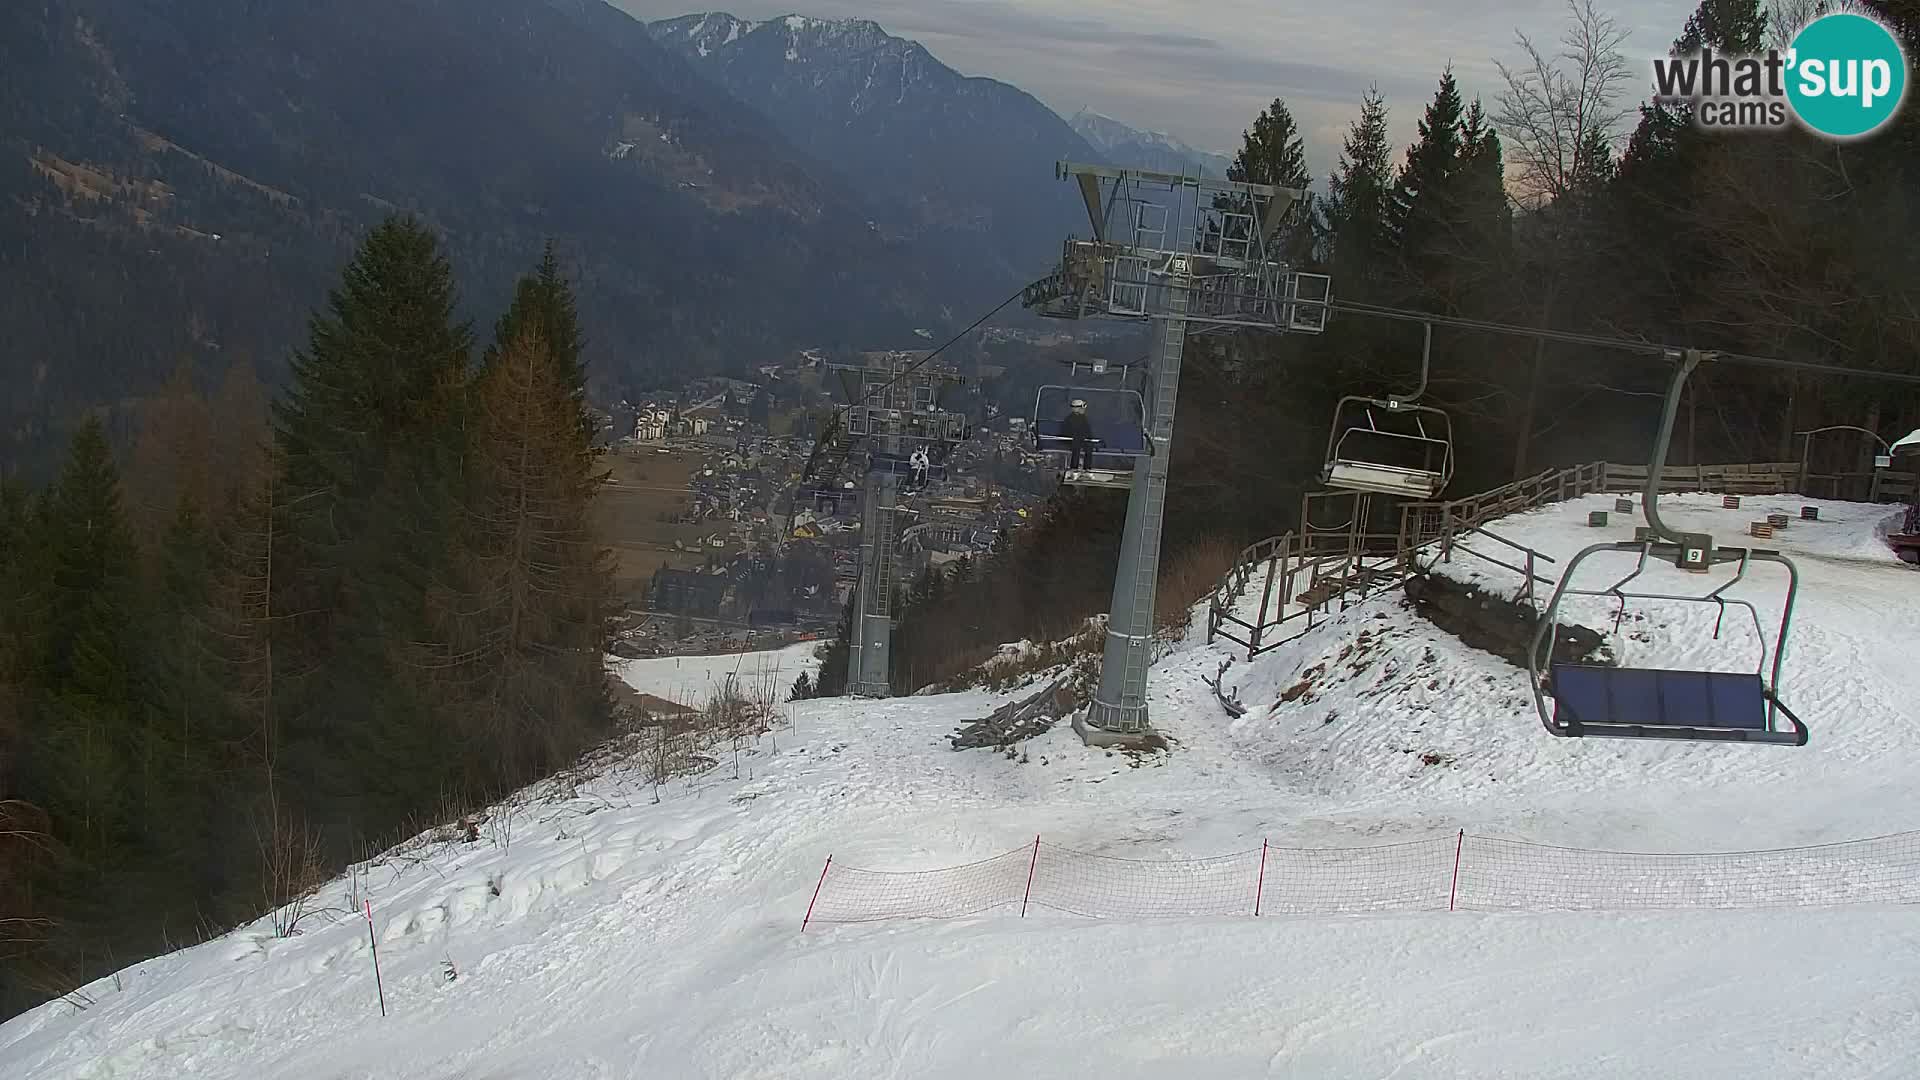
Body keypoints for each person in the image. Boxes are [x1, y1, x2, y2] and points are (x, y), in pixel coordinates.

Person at [1062, 398, 1096, 478]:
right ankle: (1074, 469)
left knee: (1089, 447)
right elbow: (1068, 432)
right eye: (1081, 407)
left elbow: (1088, 431)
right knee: (1076, 446)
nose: (1083, 409)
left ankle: (1087, 470)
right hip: (1071, 440)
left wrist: (1089, 438)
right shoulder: (1069, 419)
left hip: (1081, 440)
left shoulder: (1084, 418)